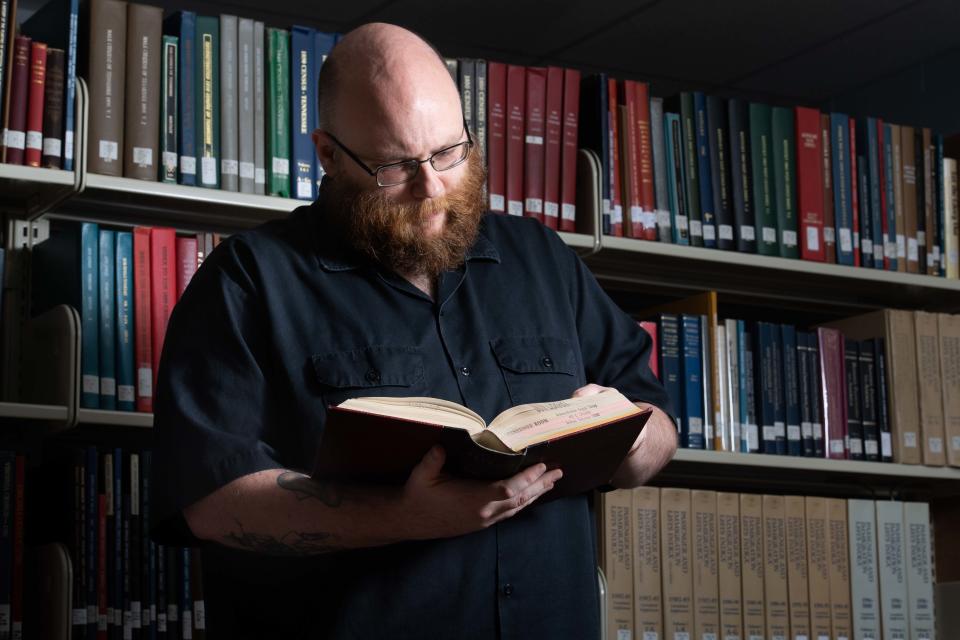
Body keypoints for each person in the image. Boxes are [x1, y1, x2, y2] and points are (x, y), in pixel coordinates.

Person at [152, 22, 677, 639]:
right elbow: (212, 500)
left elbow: (656, 421)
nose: (433, 188)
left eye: (451, 153)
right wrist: (403, 517)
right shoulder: (248, 281)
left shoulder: (540, 257)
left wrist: (628, 436)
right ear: (327, 153)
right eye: (397, 166)